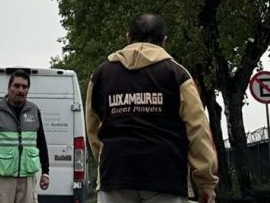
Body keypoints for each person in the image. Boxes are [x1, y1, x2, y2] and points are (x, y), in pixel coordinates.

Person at [86, 13, 218, 203]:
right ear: (164, 41)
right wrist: (205, 182)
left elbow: (93, 128)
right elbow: (198, 129)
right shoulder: (177, 74)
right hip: (166, 177)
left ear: (127, 37)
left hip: (115, 173)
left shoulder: (101, 74)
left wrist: (106, 160)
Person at [0, 70, 50, 203]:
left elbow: (41, 143)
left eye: (24, 87)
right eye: (16, 86)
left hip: (27, 178)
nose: (20, 90)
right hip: (2, 176)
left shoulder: (34, 110)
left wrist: (45, 172)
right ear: (9, 88)